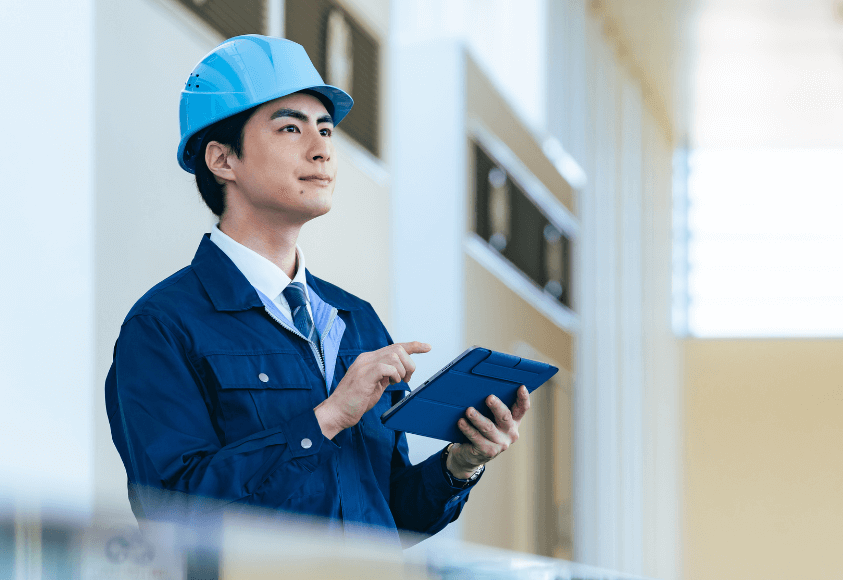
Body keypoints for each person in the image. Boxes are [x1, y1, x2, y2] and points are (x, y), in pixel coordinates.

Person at [104, 35, 530, 541]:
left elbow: (391, 514)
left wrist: (459, 465)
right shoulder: (164, 327)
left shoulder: (356, 321)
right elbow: (173, 514)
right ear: (222, 160)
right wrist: (325, 419)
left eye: (326, 129)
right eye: (291, 127)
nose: (322, 148)